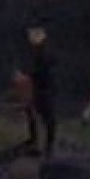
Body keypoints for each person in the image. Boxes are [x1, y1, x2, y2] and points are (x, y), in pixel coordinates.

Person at [15, 25, 57, 158]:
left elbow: (40, 70)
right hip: (39, 88)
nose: (31, 37)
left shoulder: (44, 52)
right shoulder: (36, 52)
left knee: (46, 118)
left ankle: (46, 147)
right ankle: (37, 143)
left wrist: (25, 76)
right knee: (33, 115)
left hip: (43, 89)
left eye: (34, 34)